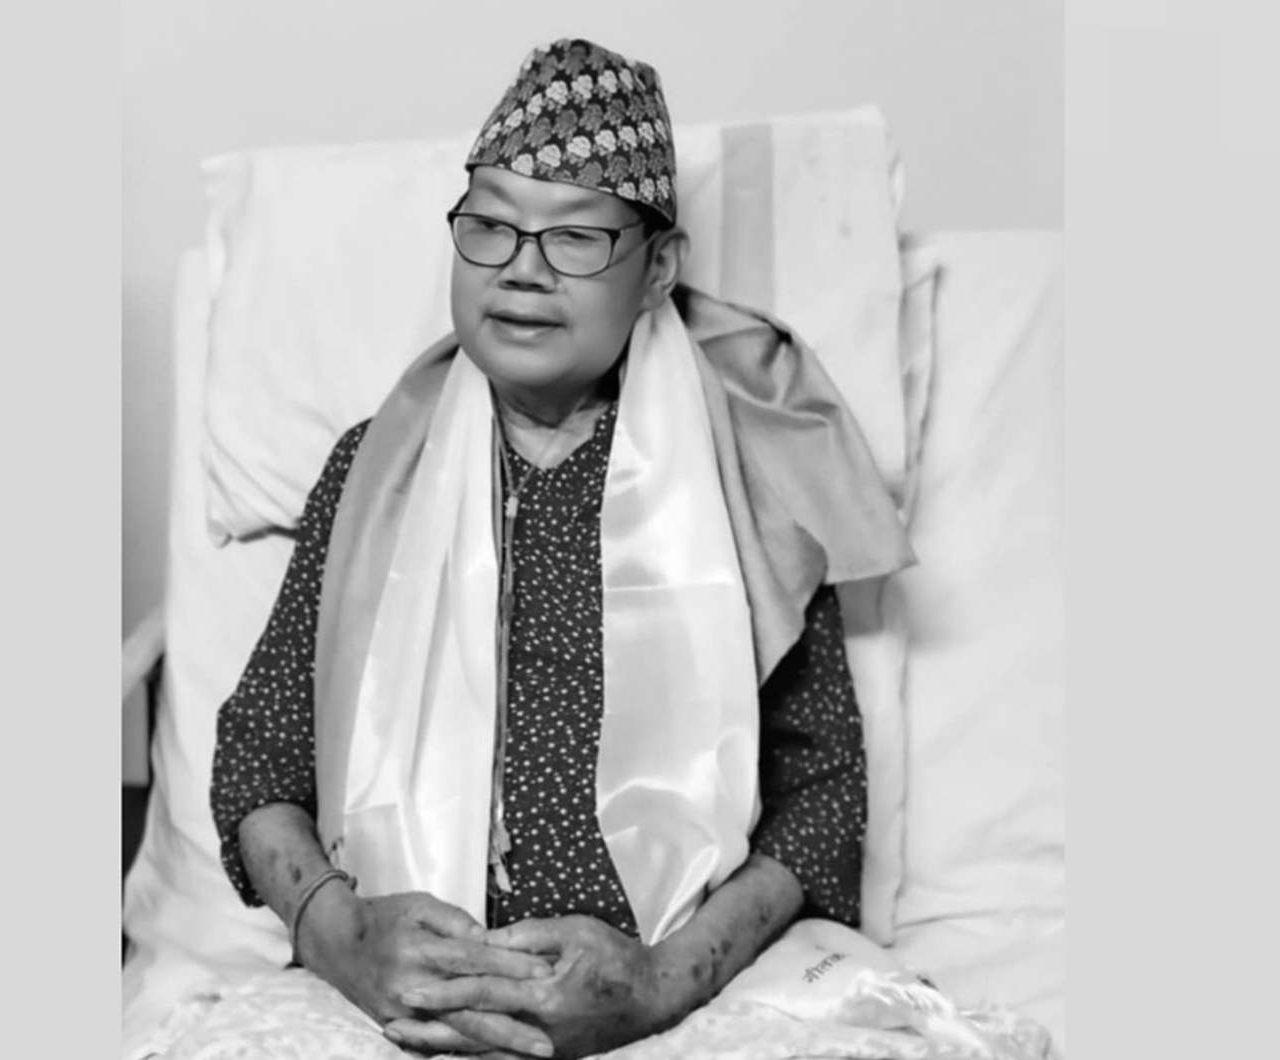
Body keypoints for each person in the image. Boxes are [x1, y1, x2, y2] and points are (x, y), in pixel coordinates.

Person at [208, 37, 913, 1060]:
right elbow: (258, 763)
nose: (522, 269)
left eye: (575, 237)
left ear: (658, 268)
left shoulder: (746, 478)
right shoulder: (374, 471)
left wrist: (661, 982)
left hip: (688, 1007)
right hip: (391, 1009)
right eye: (489, 227)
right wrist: (343, 939)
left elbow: (824, 797)